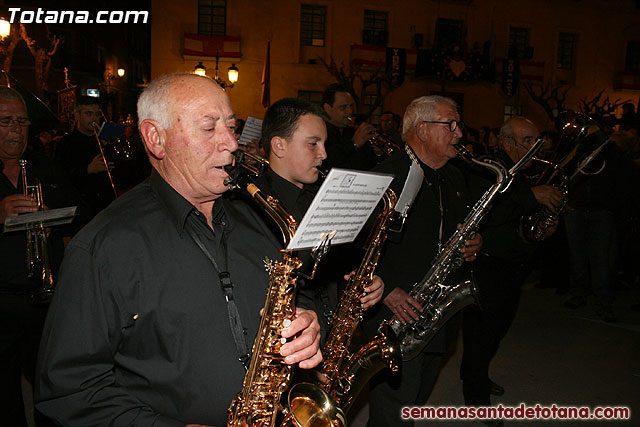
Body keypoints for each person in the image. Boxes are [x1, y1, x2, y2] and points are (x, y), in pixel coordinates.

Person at [35, 73, 322, 427]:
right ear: (156, 139)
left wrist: (306, 320)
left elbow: (295, 294)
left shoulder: (260, 218)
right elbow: (67, 391)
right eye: (209, 128)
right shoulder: (104, 246)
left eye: (231, 126)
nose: (231, 143)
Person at [362, 95, 482, 427]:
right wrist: (387, 290)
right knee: (393, 409)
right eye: (451, 124)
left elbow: (460, 230)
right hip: (394, 311)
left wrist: (474, 243)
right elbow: (356, 247)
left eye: (459, 124)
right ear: (422, 129)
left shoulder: (456, 177)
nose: (459, 133)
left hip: (438, 312)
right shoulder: (386, 175)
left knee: (417, 397)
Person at [458, 116, 563, 426]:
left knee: (498, 332)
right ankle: (476, 401)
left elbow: (519, 222)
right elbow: (487, 212)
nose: (536, 147)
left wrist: (542, 230)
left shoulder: (528, 172)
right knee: (481, 335)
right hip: (487, 264)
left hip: (513, 265)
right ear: (507, 143)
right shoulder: (489, 168)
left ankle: (477, 376)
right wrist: (531, 196)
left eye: (537, 140)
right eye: (528, 140)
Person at [253, 97, 384, 343]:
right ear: (279, 146)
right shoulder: (252, 206)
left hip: (331, 331)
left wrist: (369, 281)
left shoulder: (327, 195)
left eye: (324, 143)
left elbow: (343, 264)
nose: (323, 154)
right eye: (313, 144)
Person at [0, 86, 85, 427]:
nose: (16, 129)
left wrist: (54, 218)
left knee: (52, 393)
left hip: (45, 302)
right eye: (6, 121)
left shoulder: (42, 166)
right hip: (1, 304)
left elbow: (84, 212)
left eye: (22, 121)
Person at [55, 96, 115, 216]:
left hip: (106, 206)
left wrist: (110, 149)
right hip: (81, 209)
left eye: (97, 114)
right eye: (88, 113)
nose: (94, 118)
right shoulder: (65, 143)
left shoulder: (102, 140)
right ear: (77, 115)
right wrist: (88, 169)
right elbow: (60, 178)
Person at [321, 84, 379, 171]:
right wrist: (354, 143)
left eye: (351, 106)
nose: (350, 111)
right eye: (343, 107)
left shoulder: (353, 132)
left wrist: (377, 154)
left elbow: (368, 166)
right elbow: (326, 160)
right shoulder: (318, 132)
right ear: (327, 108)